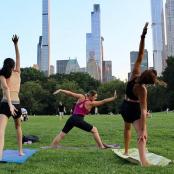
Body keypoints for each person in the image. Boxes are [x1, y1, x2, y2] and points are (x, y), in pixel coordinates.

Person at [119, 23, 158, 166]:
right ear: (148, 83)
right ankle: (144, 161)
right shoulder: (142, 90)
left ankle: (126, 150)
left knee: (127, 127)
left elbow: (141, 54)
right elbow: (142, 111)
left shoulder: (135, 73)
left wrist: (143, 36)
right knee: (143, 135)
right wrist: (142, 129)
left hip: (124, 107)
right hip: (134, 110)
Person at [50, 89, 117, 149]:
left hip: (72, 118)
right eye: (95, 97)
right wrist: (113, 98)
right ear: (91, 96)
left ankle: (52, 146)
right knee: (94, 130)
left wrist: (61, 90)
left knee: (62, 134)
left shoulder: (81, 97)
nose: (96, 98)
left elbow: (70, 93)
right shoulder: (91, 103)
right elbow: (103, 101)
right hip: (78, 119)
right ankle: (101, 146)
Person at [0, 35, 24, 160]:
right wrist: (16, 44)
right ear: (13, 65)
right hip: (15, 103)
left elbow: (6, 89)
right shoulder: (17, 72)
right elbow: (18, 57)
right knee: (18, 127)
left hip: (5, 104)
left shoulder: (2, 75)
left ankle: (0, 154)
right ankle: (20, 151)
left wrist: (9, 105)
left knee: (1, 131)